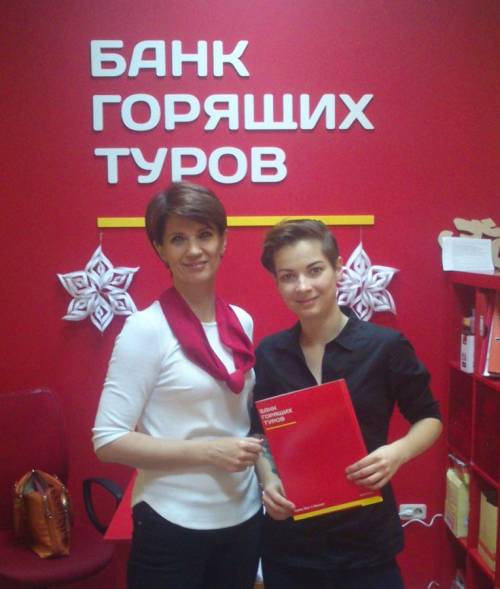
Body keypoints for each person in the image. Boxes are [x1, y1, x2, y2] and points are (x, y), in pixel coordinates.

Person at [251, 219, 442, 589]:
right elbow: (258, 432)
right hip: (290, 545)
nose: (303, 286)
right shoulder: (269, 354)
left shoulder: (384, 347)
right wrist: (268, 479)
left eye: (314, 270)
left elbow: (429, 417)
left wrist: (397, 452)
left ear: (338, 269)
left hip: (366, 544)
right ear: (276, 282)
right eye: (288, 276)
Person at [92, 182, 263, 589]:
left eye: (205, 234)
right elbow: (108, 440)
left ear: (223, 241)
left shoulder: (241, 321)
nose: (194, 250)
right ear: (160, 250)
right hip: (171, 522)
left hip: (242, 519)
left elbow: (242, 421)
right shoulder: (145, 329)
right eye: (178, 239)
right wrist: (209, 451)